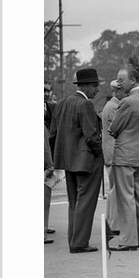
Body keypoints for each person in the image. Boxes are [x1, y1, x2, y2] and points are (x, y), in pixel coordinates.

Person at [48, 67, 104, 253]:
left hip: (67, 161)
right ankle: (79, 243)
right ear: (85, 86)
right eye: (95, 86)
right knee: (86, 202)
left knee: (74, 202)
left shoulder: (62, 103)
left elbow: (53, 134)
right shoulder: (85, 105)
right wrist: (99, 152)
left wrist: (62, 153)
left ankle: (74, 240)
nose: (97, 90)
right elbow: (91, 135)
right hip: (86, 161)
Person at [107, 65, 139, 251]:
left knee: (125, 198)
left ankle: (128, 240)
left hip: (124, 156)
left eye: (121, 79)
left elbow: (114, 128)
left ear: (133, 80)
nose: (119, 83)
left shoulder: (127, 102)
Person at [101, 79, 127, 237]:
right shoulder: (115, 107)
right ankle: (114, 224)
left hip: (111, 152)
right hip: (115, 153)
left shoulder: (110, 105)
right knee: (116, 190)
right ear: (117, 92)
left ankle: (112, 222)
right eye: (124, 91)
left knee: (114, 190)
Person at [43, 82, 57, 237]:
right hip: (44, 155)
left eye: (48, 90)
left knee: (47, 193)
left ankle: (45, 224)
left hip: (50, 152)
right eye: (43, 90)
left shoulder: (53, 107)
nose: (46, 93)